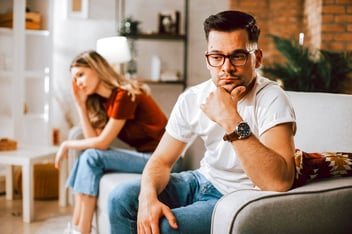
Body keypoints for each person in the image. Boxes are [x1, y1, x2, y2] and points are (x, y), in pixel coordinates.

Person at [107, 10, 296, 234]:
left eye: (238, 56)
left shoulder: (272, 98)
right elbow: (161, 160)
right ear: (207, 58)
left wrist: (230, 118)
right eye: (217, 57)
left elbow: (279, 181)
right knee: (121, 200)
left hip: (238, 197)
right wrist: (148, 197)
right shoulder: (193, 97)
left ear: (258, 58)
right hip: (201, 180)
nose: (226, 68)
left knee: (166, 227)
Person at [54, 50, 183, 234]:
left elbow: (102, 143)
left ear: (96, 69)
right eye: (75, 79)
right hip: (147, 157)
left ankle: (82, 230)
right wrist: (80, 105)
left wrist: (66, 144)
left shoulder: (124, 95)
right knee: (88, 156)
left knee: (92, 156)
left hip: (167, 160)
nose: (78, 83)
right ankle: (77, 225)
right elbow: (93, 140)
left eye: (81, 75)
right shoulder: (104, 101)